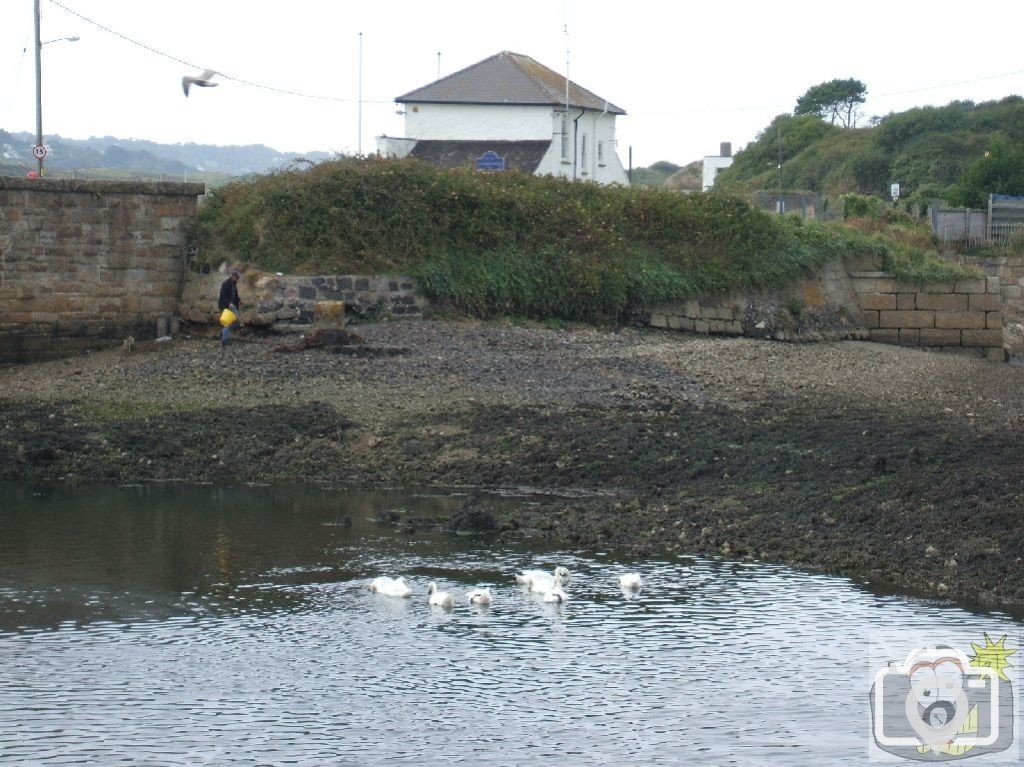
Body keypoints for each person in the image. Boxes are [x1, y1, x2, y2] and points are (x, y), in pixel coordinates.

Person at [218, 269, 243, 347]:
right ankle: (225, 340)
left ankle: (222, 333)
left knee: (236, 322)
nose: (237, 279)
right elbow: (223, 296)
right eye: (236, 277)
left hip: (232, 306)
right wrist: (228, 303)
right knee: (228, 323)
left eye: (238, 278)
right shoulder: (225, 284)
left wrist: (239, 300)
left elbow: (235, 295)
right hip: (226, 306)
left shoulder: (234, 284)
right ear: (232, 276)